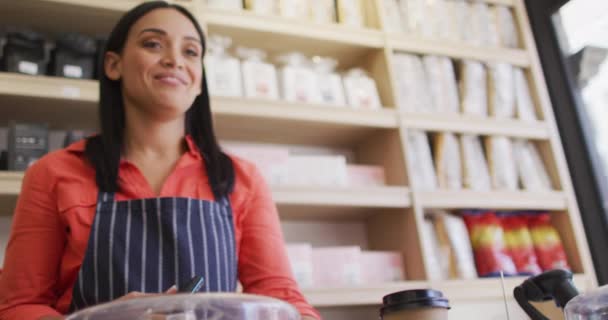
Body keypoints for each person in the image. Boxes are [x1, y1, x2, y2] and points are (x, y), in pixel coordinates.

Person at [0, 2, 320, 319]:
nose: (174, 60)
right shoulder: (53, 173)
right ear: (113, 65)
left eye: (191, 52)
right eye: (153, 44)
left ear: (198, 81)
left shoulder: (240, 178)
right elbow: (18, 306)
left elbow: (281, 298)